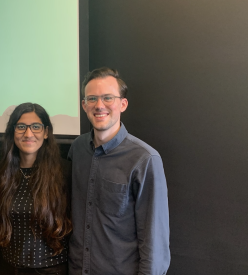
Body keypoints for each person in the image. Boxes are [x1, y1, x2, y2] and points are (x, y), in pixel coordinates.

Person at [68, 67, 170, 275]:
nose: (99, 105)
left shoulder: (145, 159)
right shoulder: (77, 150)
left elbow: (154, 240)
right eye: (92, 99)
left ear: (123, 104)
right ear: (84, 105)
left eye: (108, 98)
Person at [0, 103, 72, 275]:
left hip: (51, 269)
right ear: (13, 132)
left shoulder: (65, 172)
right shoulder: (1, 173)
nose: (28, 133)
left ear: (46, 132)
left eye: (36, 126)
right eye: (21, 127)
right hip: (9, 268)